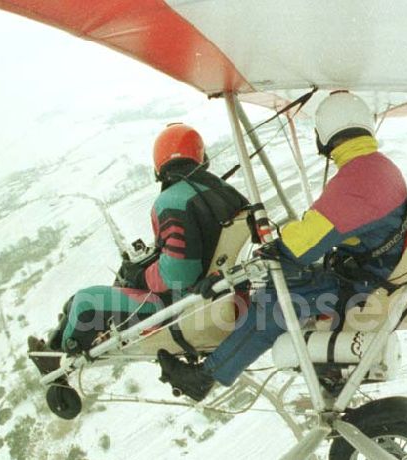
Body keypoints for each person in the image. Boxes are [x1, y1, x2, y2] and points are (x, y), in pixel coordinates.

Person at [158, 91, 407, 401]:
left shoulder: (358, 179)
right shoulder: (375, 167)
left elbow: (300, 249)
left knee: (273, 305)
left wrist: (277, 246)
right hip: (368, 271)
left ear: (324, 133)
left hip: (364, 285)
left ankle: (207, 377)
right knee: (281, 283)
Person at [28, 123, 247, 371]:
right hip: (219, 292)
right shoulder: (227, 191)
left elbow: (179, 273)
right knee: (75, 304)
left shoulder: (171, 201)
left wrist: (140, 275)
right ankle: (53, 345)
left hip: (183, 305)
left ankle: (58, 358)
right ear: (200, 155)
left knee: (84, 302)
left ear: (159, 164)